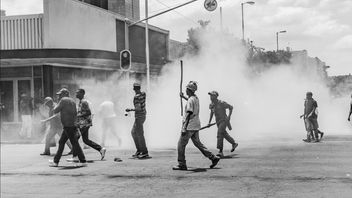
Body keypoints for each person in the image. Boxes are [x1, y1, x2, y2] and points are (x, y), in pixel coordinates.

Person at [173, 81, 220, 170]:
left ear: (189, 90)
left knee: (180, 145)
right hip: (196, 125)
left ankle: (181, 164)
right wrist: (183, 97)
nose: (185, 91)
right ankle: (213, 158)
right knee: (198, 143)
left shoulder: (191, 99)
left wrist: (184, 128)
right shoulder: (195, 98)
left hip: (189, 126)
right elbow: (191, 102)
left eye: (186, 89)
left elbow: (189, 113)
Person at [49, 88, 86, 167]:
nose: (59, 96)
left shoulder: (63, 100)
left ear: (64, 94)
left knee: (74, 143)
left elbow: (55, 110)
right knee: (61, 142)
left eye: (60, 94)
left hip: (68, 125)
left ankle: (83, 160)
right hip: (71, 125)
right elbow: (75, 112)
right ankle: (56, 161)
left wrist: (56, 104)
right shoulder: (72, 100)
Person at [68, 89, 106, 162]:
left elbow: (88, 112)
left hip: (84, 124)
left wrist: (77, 115)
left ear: (82, 93)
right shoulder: (82, 101)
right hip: (84, 123)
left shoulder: (84, 102)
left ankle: (75, 156)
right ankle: (101, 149)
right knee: (85, 140)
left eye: (77, 92)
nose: (76, 93)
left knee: (75, 139)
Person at [207, 91, 238, 157]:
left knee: (220, 134)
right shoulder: (211, 105)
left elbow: (231, 107)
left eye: (212, 96)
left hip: (224, 120)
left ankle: (220, 151)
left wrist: (229, 117)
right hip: (218, 121)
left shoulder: (221, 103)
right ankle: (234, 143)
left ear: (216, 96)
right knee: (224, 134)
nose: (211, 97)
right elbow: (211, 113)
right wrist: (209, 123)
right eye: (210, 96)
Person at [126, 82, 149, 159]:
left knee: (139, 134)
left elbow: (138, 108)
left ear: (134, 89)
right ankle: (139, 150)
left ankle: (144, 152)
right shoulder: (143, 94)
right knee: (134, 132)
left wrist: (130, 109)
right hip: (143, 116)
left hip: (139, 117)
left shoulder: (136, 97)